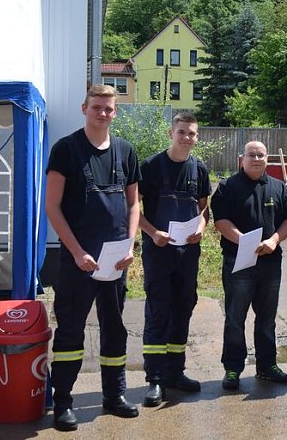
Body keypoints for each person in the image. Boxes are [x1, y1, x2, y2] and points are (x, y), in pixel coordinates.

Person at [45, 84, 140, 431]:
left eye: (109, 108)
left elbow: (134, 204)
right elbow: (52, 207)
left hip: (116, 260)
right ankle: (63, 403)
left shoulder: (126, 151)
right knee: (70, 332)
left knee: (115, 329)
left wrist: (130, 245)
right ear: (84, 108)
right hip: (77, 260)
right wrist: (77, 252)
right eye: (97, 107)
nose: (103, 113)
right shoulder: (66, 150)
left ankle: (114, 396)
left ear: (115, 112)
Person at [138, 111, 211, 407]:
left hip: (187, 254)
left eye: (192, 133)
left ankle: (175, 372)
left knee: (183, 309)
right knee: (158, 311)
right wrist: (153, 233)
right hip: (159, 251)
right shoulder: (151, 167)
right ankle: (155, 380)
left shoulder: (200, 169)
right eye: (182, 132)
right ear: (171, 133)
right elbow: (134, 210)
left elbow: (204, 209)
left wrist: (201, 228)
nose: (187, 138)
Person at [211, 140, 287, 391]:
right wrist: (245, 242)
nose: (257, 159)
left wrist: (274, 240)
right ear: (242, 158)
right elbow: (221, 220)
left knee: (267, 318)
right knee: (235, 317)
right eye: (252, 155)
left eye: (261, 155)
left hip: (270, 263)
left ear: (267, 158)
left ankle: (267, 365)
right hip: (238, 262)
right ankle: (233, 368)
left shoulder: (279, 188)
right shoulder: (228, 187)